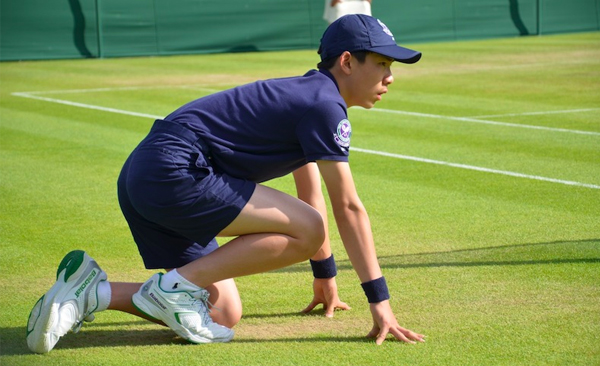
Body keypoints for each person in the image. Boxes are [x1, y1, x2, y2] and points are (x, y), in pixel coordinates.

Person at [26, 14, 425, 353]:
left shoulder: (310, 96)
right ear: (347, 62)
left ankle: (90, 292)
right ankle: (173, 288)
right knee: (307, 227)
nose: (390, 77)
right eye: (383, 64)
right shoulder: (324, 105)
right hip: (175, 171)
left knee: (220, 313)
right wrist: (380, 303)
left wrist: (324, 277)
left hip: (144, 174)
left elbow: (310, 195)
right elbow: (346, 208)